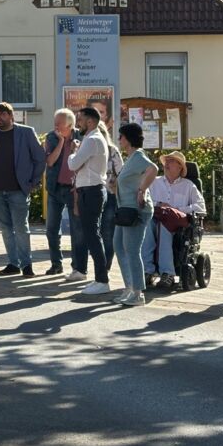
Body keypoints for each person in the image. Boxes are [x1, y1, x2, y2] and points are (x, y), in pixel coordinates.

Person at [0, 102, 46, 277]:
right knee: (5, 228)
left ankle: (27, 265)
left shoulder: (26, 132)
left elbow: (40, 158)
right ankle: (13, 263)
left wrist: (33, 181)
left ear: (11, 115)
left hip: (18, 189)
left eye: (1, 114)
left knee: (21, 227)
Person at [141, 151, 206, 291]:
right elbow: (146, 201)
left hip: (179, 223)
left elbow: (201, 207)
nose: (167, 164)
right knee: (147, 226)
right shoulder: (154, 182)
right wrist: (159, 204)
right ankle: (147, 270)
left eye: (171, 161)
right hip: (156, 217)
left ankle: (168, 273)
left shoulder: (189, 185)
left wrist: (176, 209)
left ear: (180, 167)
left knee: (165, 227)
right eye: (166, 161)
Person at [111, 123, 157, 306]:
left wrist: (142, 190)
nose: (119, 140)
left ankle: (138, 293)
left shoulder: (138, 156)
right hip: (125, 210)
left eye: (121, 136)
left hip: (137, 210)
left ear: (128, 138)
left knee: (131, 249)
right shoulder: (130, 158)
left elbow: (153, 169)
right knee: (119, 246)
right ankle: (129, 287)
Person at [67, 106, 110, 294]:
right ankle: (100, 279)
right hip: (90, 191)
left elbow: (73, 164)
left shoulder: (92, 140)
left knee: (93, 236)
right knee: (92, 235)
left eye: (81, 120)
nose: (78, 124)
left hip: (91, 191)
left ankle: (102, 280)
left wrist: (73, 152)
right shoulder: (91, 138)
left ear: (91, 121)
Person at [43, 109, 82, 277]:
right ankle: (56, 264)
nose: (56, 126)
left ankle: (77, 266)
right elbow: (50, 162)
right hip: (55, 188)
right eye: (55, 122)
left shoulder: (81, 138)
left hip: (74, 190)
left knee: (76, 229)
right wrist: (60, 142)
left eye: (60, 123)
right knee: (52, 228)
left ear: (70, 125)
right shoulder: (51, 137)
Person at [98, 120, 124, 272]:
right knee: (97, 232)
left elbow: (121, 172)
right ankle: (100, 265)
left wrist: (115, 181)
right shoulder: (87, 149)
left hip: (110, 195)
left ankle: (105, 266)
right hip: (93, 194)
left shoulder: (112, 150)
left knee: (107, 232)